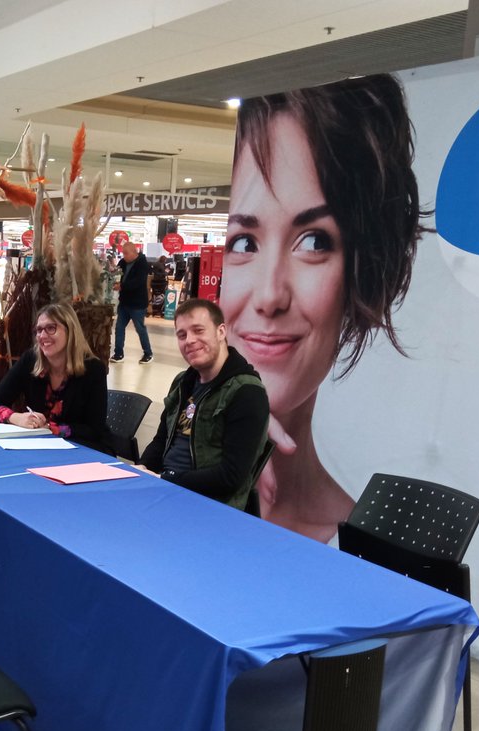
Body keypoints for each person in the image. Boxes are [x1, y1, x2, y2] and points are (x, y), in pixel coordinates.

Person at [220, 74, 426, 542]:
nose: (270, 296)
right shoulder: (191, 447)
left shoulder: (358, 551)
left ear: (363, 269)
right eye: (245, 242)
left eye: (313, 242)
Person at [140, 299, 270, 510]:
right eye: (182, 335)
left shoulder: (246, 392)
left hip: (208, 506)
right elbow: (161, 441)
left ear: (221, 332)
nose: (189, 340)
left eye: (198, 330)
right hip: (164, 490)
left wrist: (166, 479)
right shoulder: (183, 382)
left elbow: (230, 477)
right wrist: (142, 470)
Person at [0, 302, 111, 453]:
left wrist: (50, 428)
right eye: (39, 330)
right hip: (39, 446)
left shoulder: (93, 369)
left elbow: (94, 430)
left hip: (83, 449)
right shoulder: (31, 360)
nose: (42, 336)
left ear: (70, 331)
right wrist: (16, 417)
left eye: (51, 328)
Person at [111, 241, 153, 363]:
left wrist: (122, 286)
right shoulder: (123, 263)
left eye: (126, 253)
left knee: (140, 329)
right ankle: (118, 354)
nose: (124, 256)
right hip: (124, 302)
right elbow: (117, 274)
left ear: (134, 252)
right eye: (123, 253)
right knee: (119, 327)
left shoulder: (142, 264)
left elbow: (138, 282)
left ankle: (148, 353)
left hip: (137, 304)